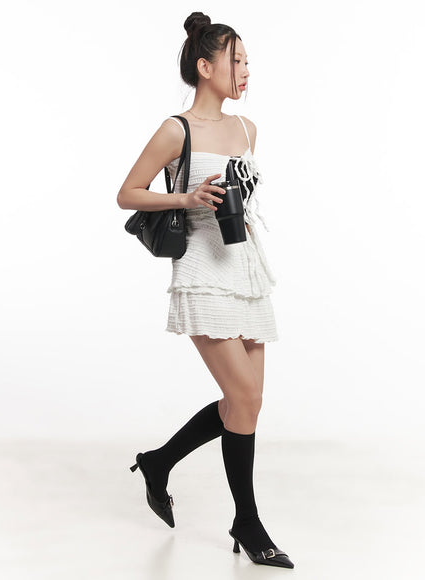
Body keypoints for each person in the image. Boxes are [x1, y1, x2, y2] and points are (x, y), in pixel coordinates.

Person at [116, 12, 294, 569]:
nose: (246, 70)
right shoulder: (177, 130)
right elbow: (128, 193)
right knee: (243, 398)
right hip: (201, 270)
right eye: (237, 60)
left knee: (248, 402)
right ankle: (248, 520)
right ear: (205, 66)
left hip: (244, 267)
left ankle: (158, 463)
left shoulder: (247, 130)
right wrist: (185, 198)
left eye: (248, 61)